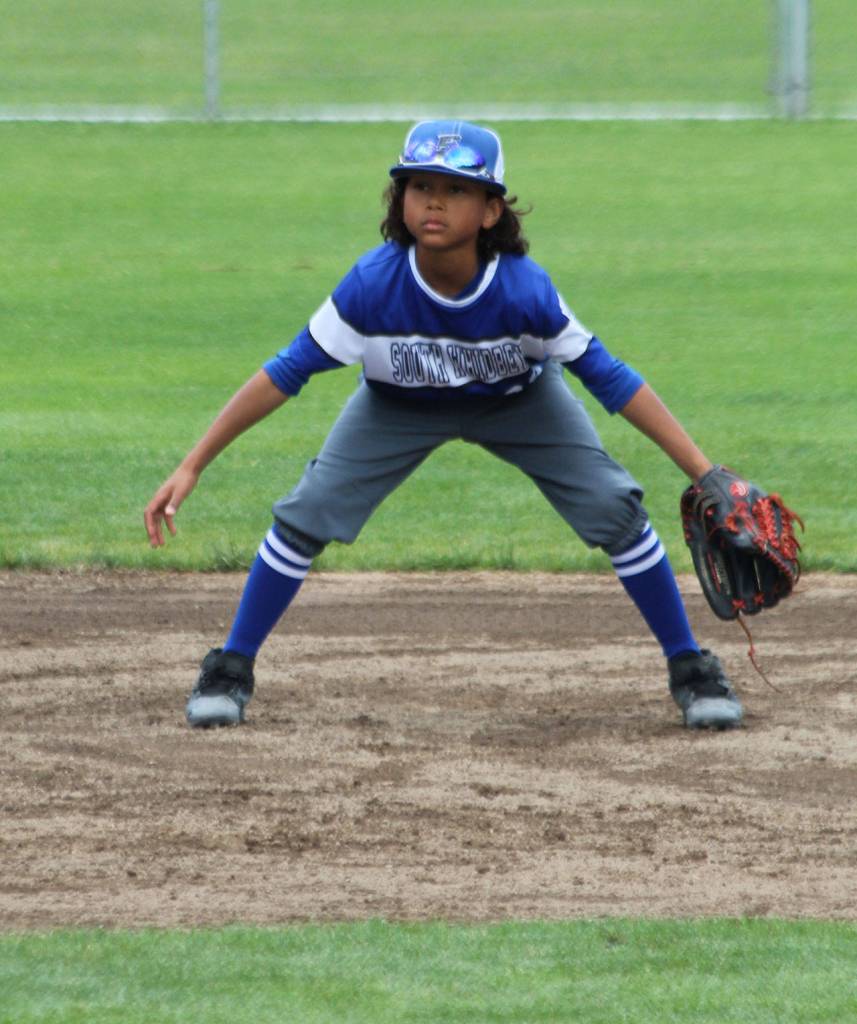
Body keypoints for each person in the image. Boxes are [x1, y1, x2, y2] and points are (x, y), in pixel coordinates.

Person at [144, 119, 743, 732]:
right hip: (396, 406)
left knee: (615, 508)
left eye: (456, 190)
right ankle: (230, 667)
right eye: (419, 185)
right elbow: (285, 372)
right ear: (399, 201)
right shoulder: (372, 286)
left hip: (520, 403)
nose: (433, 201)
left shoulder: (523, 291)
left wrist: (704, 472)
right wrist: (192, 463)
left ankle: (690, 668)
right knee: (310, 510)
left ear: (490, 211)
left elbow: (610, 377)